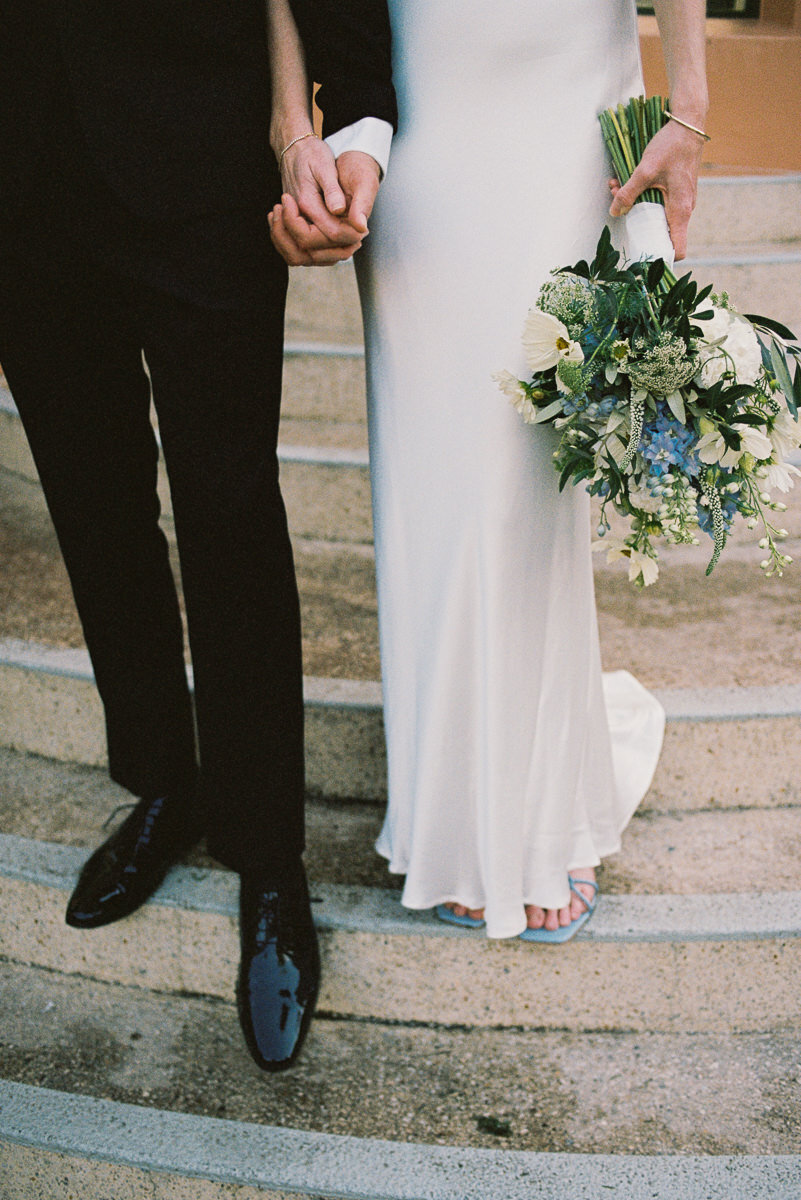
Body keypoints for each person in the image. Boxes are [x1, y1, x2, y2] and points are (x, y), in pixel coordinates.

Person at [0, 1, 395, 1070]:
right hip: (21, 179)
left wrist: (357, 109)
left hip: (197, 156)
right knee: (91, 504)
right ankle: (164, 778)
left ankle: (269, 858)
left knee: (229, 508)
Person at [270, 0, 708, 940]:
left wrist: (690, 106)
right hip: (416, 97)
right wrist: (297, 124)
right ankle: (454, 816)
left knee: (524, 478)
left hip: (564, 87)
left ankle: (540, 806)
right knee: (438, 471)